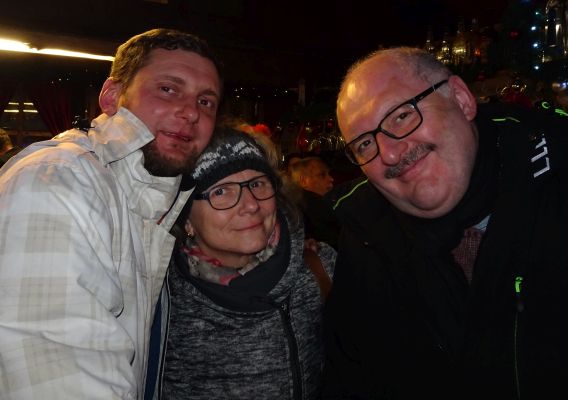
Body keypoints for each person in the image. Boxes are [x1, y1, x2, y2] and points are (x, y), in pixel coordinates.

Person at [321, 46, 568, 399]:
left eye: (401, 116)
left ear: (462, 99)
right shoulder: (364, 240)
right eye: (364, 144)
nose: (388, 154)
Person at [0, 28, 222, 399]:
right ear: (111, 97)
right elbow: (57, 377)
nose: (190, 112)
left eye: (206, 101)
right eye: (168, 89)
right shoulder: (56, 179)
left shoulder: (147, 199)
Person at [147, 127, 336, 399]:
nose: (250, 205)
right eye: (221, 191)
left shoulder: (321, 268)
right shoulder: (158, 299)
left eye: (257, 184)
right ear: (186, 218)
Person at [289, 156, 340, 249]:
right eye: (322, 175)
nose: (331, 179)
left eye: (328, 174)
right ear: (304, 181)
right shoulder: (317, 209)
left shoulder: (295, 208)